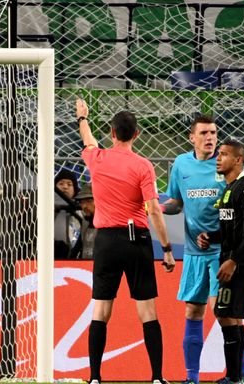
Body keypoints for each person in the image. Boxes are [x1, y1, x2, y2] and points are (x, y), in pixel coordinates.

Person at [75, 98, 176, 384]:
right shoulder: (143, 166)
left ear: (112, 133)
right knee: (147, 310)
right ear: (136, 134)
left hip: (105, 241)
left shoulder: (98, 158)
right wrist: (166, 249)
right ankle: (157, 378)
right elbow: (154, 210)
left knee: (101, 308)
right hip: (136, 240)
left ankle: (95, 378)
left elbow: (88, 140)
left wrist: (83, 118)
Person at [160, 114, 244, 384]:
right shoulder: (181, 164)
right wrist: (160, 208)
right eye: (204, 133)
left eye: (213, 132)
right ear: (192, 138)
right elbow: (176, 202)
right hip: (193, 252)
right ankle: (192, 378)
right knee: (193, 311)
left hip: (221, 253)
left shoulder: (226, 164)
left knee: (224, 314)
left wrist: (220, 238)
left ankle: (243, 376)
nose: (210, 137)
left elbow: (241, 206)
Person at [197, 139, 244, 384]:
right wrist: (210, 237)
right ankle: (237, 377)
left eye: (223, 154)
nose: (218, 158)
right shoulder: (229, 189)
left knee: (224, 313)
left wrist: (234, 260)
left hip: (241, 262)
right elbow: (232, 230)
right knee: (232, 317)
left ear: (238, 160)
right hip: (231, 259)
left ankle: (234, 377)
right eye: (218, 154)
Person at [55, 169, 83, 259]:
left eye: (69, 184)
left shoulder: (82, 210)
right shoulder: (44, 209)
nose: (65, 187)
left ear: (75, 189)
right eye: (61, 183)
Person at [70, 182, 97, 259]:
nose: (84, 206)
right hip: (85, 268)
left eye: (89, 201)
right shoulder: (85, 222)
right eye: (82, 202)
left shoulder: (109, 224)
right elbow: (76, 249)